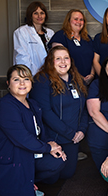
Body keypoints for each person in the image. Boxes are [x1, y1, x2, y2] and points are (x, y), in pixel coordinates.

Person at [0, 65, 66, 196]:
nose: (22, 83)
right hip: (6, 160)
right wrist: (48, 148)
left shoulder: (33, 105)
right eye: (16, 79)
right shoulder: (4, 107)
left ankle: (27, 184)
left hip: (24, 156)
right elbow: (23, 139)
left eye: (26, 79)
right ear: (8, 83)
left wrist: (53, 145)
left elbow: (41, 133)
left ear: (31, 82)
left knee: (57, 161)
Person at [30, 46, 88, 181]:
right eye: (58, 59)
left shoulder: (76, 79)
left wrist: (81, 130)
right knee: (52, 177)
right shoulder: (42, 80)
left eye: (66, 58)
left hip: (73, 139)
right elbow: (45, 112)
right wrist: (70, 133)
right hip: (53, 139)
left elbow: (84, 108)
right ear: (51, 61)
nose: (63, 62)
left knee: (67, 173)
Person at [48, 9, 94, 85]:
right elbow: (59, 61)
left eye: (81, 20)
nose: (79, 22)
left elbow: (94, 58)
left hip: (89, 82)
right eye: (76, 19)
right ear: (68, 21)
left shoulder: (87, 38)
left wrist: (92, 74)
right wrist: (79, 77)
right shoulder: (60, 36)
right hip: (69, 81)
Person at [13, 1, 54, 75]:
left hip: (50, 73)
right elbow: (22, 57)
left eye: (42, 13)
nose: (39, 16)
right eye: (35, 13)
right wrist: (28, 75)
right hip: (31, 74)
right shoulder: (21, 32)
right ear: (30, 15)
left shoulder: (50, 33)